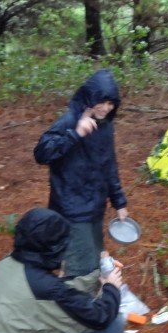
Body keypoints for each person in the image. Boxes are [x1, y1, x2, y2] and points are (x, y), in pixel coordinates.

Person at [34, 69, 129, 277]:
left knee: (93, 254)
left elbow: (109, 164)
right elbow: (42, 153)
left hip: (95, 205)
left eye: (111, 104)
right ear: (89, 98)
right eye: (101, 102)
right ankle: (73, 300)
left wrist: (119, 201)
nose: (106, 108)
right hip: (71, 207)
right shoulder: (69, 121)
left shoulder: (105, 125)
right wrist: (75, 134)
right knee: (79, 265)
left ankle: (84, 295)